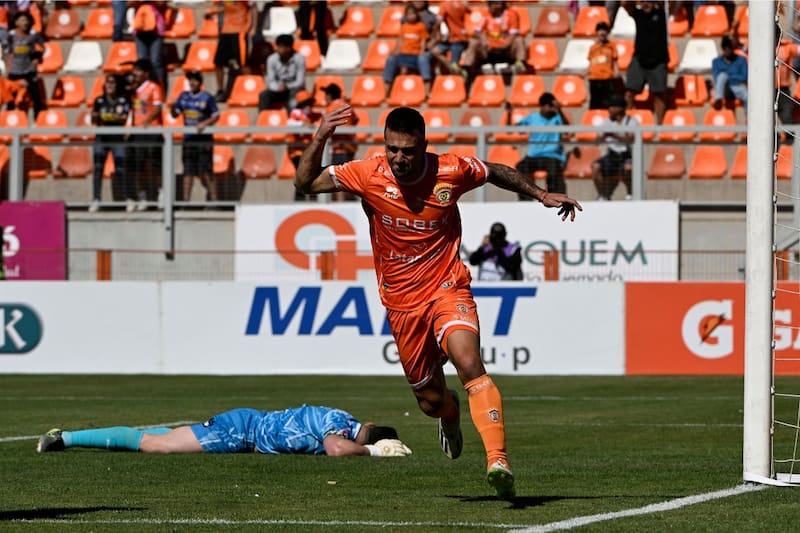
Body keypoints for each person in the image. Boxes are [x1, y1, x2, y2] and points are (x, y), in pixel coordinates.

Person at [295, 105, 582, 499]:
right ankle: (450, 415)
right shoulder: (367, 173)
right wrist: (322, 136)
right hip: (401, 305)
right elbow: (305, 182)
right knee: (430, 402)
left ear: (424, 146)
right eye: (392, 148)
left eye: (408, 150)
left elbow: (494, 170)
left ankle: (498, 460)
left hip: (448, 287)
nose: (399, 157)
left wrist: (540, 194)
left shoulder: (450, 170)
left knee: (469, 362)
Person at [36, 404, 412, 457]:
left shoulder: (343, 418)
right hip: (241, 431)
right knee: (157, 445)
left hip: (246, 425)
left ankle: (67, 437)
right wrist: (373, 453)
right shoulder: (340, 427)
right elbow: (336, 449)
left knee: (164, 435)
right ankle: (64, 438)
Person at [512, 92, 577, 198]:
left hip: (552, 156)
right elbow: (513, 129)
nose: (552, 108)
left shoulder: (557, 118)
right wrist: (510, 114)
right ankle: (526, 198)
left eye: (553, 106)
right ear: (543, 106)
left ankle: (554, 199)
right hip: (534, 156)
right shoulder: (532, 118)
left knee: (554, 173)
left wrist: (559, 110)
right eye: (550, 106)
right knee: (520, 168)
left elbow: (567, 131)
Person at [171, 70, 220, 203]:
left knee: (206, 170)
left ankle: (214, 200)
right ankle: (186, 201)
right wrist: (172, 107)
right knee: (188, 170)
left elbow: (216, 115)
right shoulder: (184, 96)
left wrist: (205, 123)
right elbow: (175, 113)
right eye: (190, 80)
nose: (192, 83)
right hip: (188, 139)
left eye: (195, 80)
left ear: (200, 82)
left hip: (204, 140)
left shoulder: (206, 97)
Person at [90, 74, 132, 213]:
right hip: (101, 138)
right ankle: (96, 199)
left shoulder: (123, 100)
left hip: (117, 138)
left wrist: (111, 117)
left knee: (121, 168)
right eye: (108, 83)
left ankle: (127, 198)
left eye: (112, 83)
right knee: (97, 168)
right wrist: (96, 117)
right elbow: (94, 118)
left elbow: (123, 118)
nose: (110, 85)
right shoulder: (99, 100)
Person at [622, 0, 669, 124]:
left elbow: (672, 3)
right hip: (639, 59)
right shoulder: (638, 14)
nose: (645, 4)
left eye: (648, 1)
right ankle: (628, 120)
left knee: (659, 95)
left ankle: (659, 125)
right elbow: (624, 4)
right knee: (629, 93)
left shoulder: (662, 14)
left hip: (658, 60)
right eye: (643, 1)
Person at [128, 58, 164, 211]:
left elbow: (158, 107)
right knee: (138, 166)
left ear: (146, 73)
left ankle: (160, 194)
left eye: (138, 70)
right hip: (137, 132)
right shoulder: (133, 90)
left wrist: (148, 121)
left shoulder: (153, 87)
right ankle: (142, 196)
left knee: (155, 166)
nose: (135, 73)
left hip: (152, 131)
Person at [461, 0, 527, 77]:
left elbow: (513, 34)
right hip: (488, 50)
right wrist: (483, 38)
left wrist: (503, 46)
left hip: (506, 50)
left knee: (519, 40)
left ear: (501, 4)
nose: (491, 6)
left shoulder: (511, 14)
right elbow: (477, 32)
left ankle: (520, 64)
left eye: (494, 3)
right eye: (490, 3)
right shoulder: (486, 15)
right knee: (473, 42)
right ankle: (466, 69)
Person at [591, 94, 637, 201]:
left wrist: (613, 135)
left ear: (620, 108)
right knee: (595, 167)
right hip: (612, 155)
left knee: (628, 168)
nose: (609, 109)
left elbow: (631, 138)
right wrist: (602, 137)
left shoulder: (631, 121)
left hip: (626, 154)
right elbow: (597, 140)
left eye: (612, 106)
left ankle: (630, 193)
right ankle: (603, 194)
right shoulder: (607, 122)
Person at [382, 4, 432, 98]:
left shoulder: (421, 26)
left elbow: (423, 40)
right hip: (404, 52)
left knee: (419, 65)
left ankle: (426, 92)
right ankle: (393, 91)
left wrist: (422, 50)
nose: (411, 16)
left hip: (415, 53)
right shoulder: (404, 27)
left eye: (413, 14)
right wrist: (395, 50)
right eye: (409, 14)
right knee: (402, 71)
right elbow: (400, 40)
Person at [2, 11, 46, 118]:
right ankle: (9, 120)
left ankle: (38, 120)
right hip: (14, 71)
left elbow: (43, 47)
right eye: (22, 20)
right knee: (10, 98)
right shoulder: (11, 35)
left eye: (26, 20)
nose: (25, 22)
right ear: (16, 22)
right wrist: (8, 64)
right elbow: (5, 50)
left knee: (36, 97)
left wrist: (37, 57)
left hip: (29, 70)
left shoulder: (33, 34)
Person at [212, 0, 257, 103]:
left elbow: (253, 7)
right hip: (226, 30)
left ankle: (250, 88)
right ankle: (220, 90)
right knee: (218, 62)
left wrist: (253, 27)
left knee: (243, 63)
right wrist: (212, 12)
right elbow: (221, 7)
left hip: (240, 30)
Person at [321, 82, 358, 201]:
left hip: (339, 148)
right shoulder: (347, 105)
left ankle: (340, 205)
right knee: (348, 179)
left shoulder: (331, 108)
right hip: (350, 147)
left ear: (329, 95)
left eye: (326, 94)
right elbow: (356, 119)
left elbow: (326, 125)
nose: (324, 97)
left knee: (338, 180)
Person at [258, 33, 306, 112]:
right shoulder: (271, 59)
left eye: (280, 47)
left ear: (289, 48)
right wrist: (278, 87)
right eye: (277, 46)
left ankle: (292, 120)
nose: (277, 49)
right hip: (278, 90)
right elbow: (271, 81)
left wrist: (287, 86)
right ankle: (264, 119)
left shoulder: (299, 59)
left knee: (294, 97)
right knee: (264, 95)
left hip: (293, 89)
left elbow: (300, 81)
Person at [287, 89, 321, 202]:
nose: (310, 106)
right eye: (307, 104)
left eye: (310, 104)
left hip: (307, 152)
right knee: (302, 175)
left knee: (310, 176)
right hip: (297, 152)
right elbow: (290, 124)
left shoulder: (310, 116)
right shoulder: (296, 113)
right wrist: (303, 124)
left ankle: (311, 198)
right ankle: (300, 199)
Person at [131, 0, 167, 89]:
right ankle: (142, 89)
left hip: (157, 29)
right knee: (141, 63)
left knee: (156, 62)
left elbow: (162, 2)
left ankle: (159, 88)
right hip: (140, 28)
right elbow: (129, 3)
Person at [431, 0, 471, 75]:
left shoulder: (444, 5)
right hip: (458, 36)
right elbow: (471, 13)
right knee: (435, 51)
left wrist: (437, 34)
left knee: (454, 64)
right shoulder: (462, 3)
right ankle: (455, 70)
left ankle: (462, 77)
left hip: (457, 38)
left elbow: (438, 21)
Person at [711, 34, 747, 114]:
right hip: (724, 89)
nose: (727, 49)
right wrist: (730, 76)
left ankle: (749, 119)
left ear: (733, 47)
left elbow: (744, 77)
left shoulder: (741, 60)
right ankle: (718, 99)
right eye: (725, 47)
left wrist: (728, 76)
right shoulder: (716, 61)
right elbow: (717, 78)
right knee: (722, 76)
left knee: (746, 95)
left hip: (736, 88)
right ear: (722, 48)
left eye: (729, 47)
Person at [586, 21, 618, 110]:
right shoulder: (593, 48)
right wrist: (588, 72)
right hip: (594, 78)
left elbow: (615, 60)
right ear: (596, 32)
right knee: (594, 102)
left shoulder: (611, 46)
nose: (602, 32)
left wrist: (616, 71)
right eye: (600, 30)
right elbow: (591, 61)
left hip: (607, 78)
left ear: (607, 32)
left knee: (607, 102)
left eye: (604, 30)